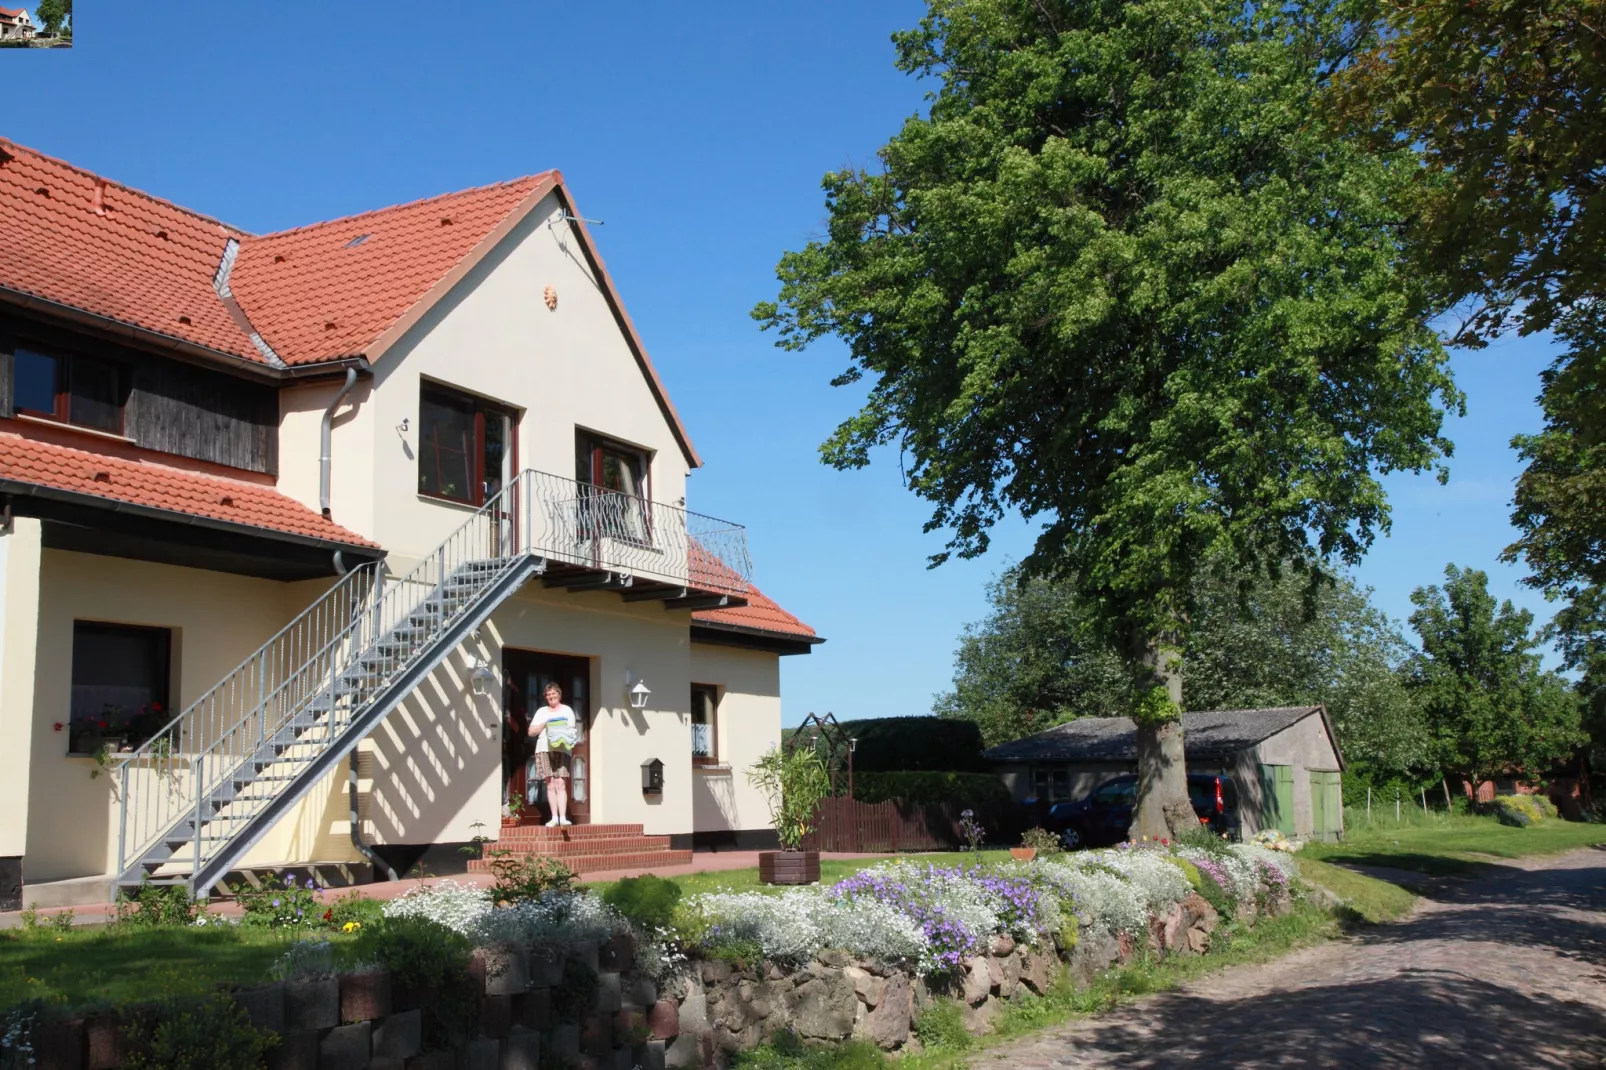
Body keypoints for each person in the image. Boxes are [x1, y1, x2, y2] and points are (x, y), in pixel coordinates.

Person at [526, 682, 576, 827]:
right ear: (545, 697)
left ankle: (563, 818)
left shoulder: (567, 710)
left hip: (561, 750)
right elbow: (531, 732)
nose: (552, 697)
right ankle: (554, 817)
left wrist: (559, 729)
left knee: (560, 783)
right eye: (549, 695)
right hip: (544, 749)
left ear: (559, 695)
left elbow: (571, 731)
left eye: (554, 694)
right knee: (550, 784)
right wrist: (545, 723)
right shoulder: (542, 712)